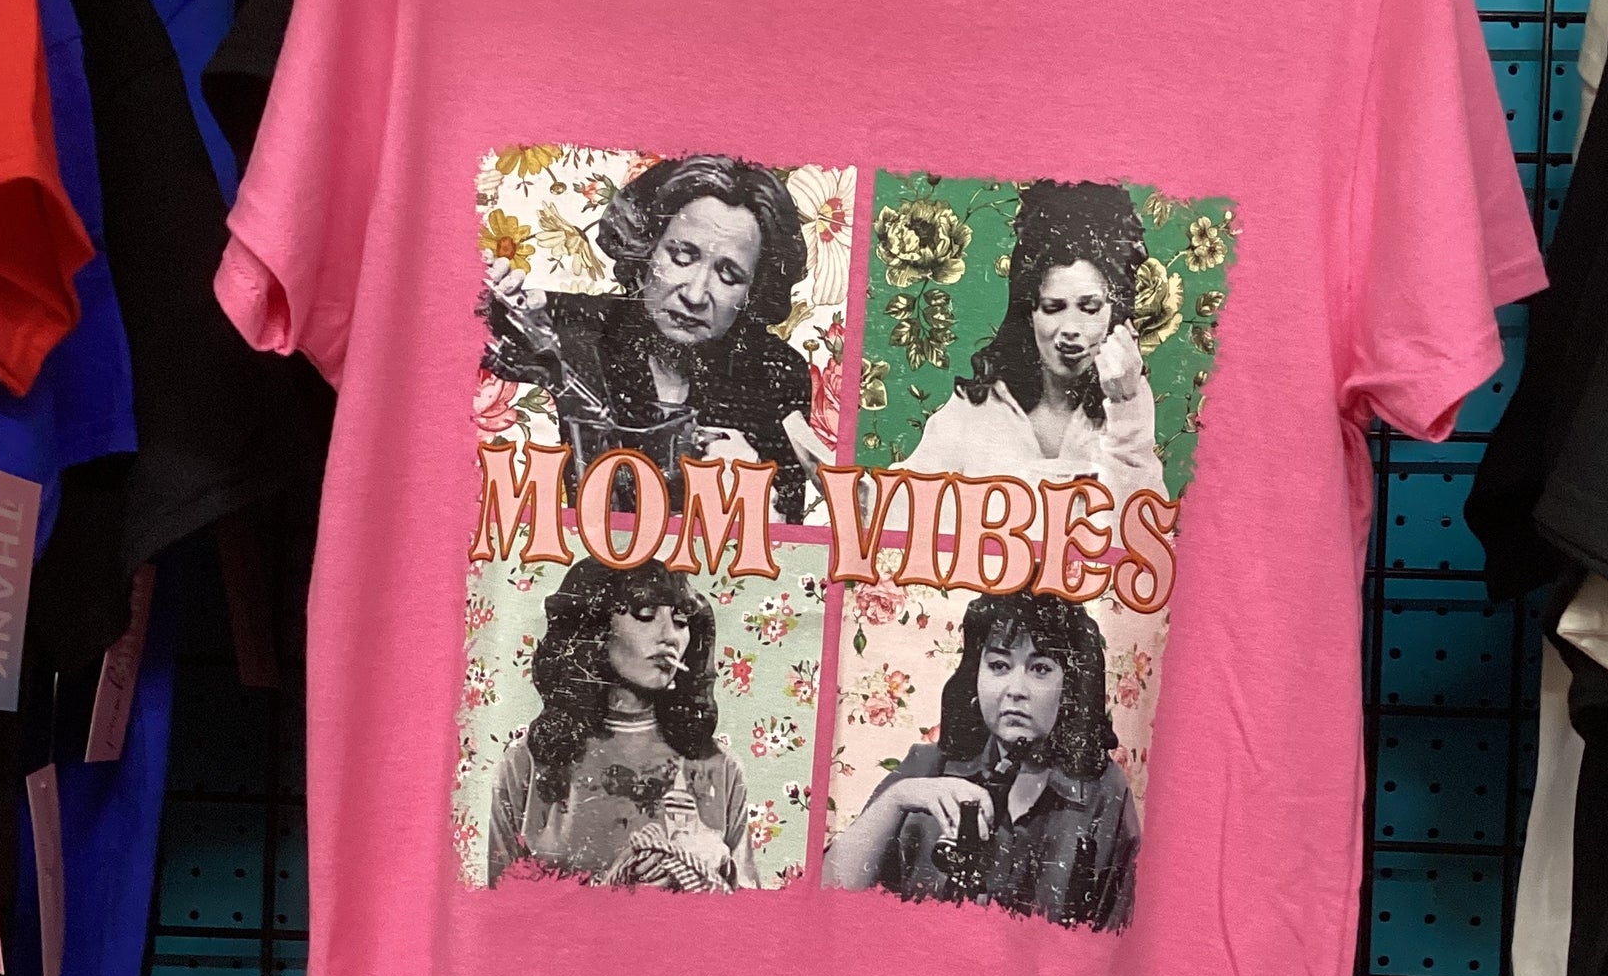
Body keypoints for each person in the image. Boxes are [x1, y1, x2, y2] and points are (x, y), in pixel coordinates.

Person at [484, 153, 818, 522]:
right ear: (646, 250)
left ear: (752, 292)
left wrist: (757, 502)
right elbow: (483, 333)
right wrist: (476, 295)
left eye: (729, 275)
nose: (695, 294)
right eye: (682, 256)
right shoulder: (587, 327)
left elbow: (789, 531)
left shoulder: (776, 373)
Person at [824, 592, 1139, 931]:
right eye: (999, 666)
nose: (1015, 690)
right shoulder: (925, 767)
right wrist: (898, 798)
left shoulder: (1105, 794)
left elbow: (1117, 940)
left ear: (1070, 686)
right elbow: (829, 896)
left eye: (1040, 669)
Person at [900, 179, 1167, 519]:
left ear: (1115, 314)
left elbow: (1144, 532)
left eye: (1089, 308)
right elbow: (899, 506)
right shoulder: (976, 408)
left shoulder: (1129, 406)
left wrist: (1125, 406)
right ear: (1029, 313)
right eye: (1054, 307)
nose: (1070, 329)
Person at [489, 561, 755, 891]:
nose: (669, 636)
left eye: (681, 621)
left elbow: (749, 911)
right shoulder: (528, 761)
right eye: (645, 614)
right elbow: (498, 906)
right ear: (595, 627)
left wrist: (715, 862)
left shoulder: (719, 767)